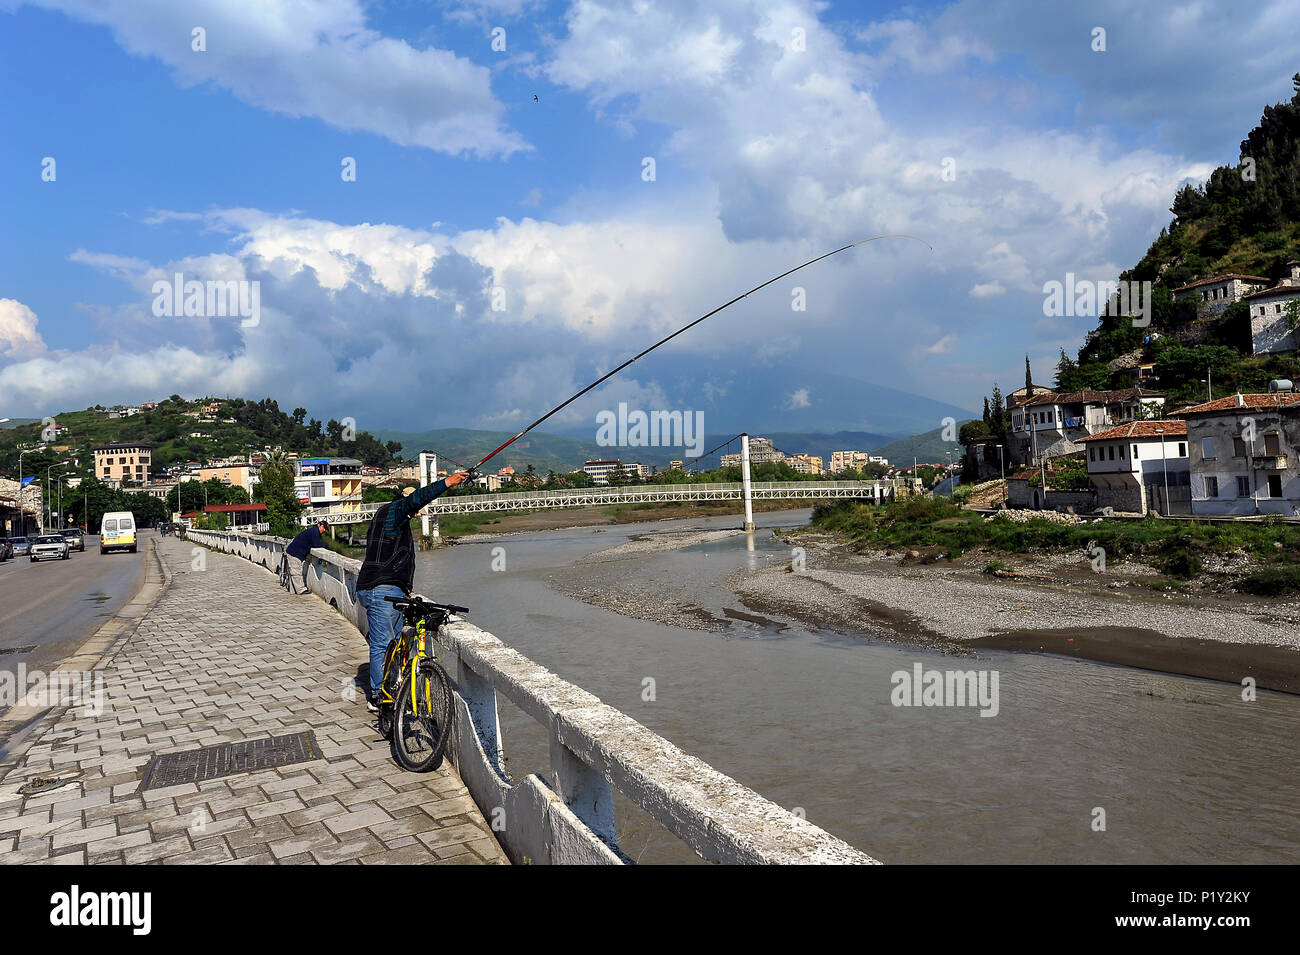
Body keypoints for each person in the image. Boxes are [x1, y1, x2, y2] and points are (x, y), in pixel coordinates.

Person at [356, 473, 469, 712]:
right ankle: (379, 698)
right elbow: (415, 500)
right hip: (382, 588)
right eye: (416, 508)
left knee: (394, 643)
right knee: (383, 643)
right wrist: (447, 483)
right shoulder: (396, 510)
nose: (417, 512)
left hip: (378, 588)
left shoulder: (380, 516)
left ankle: (392, 690)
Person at [285, 519, 329, 593]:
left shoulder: (313, 531)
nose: (324, 530)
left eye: (326, 529)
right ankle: (301, 590)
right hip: (295, 553)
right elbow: (316, 544)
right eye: (323, 527)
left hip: (295, 552)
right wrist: (326, 545)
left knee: (295, 571)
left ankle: (293, 591)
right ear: (319, 525)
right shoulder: (315, 532)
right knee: (296, 572)